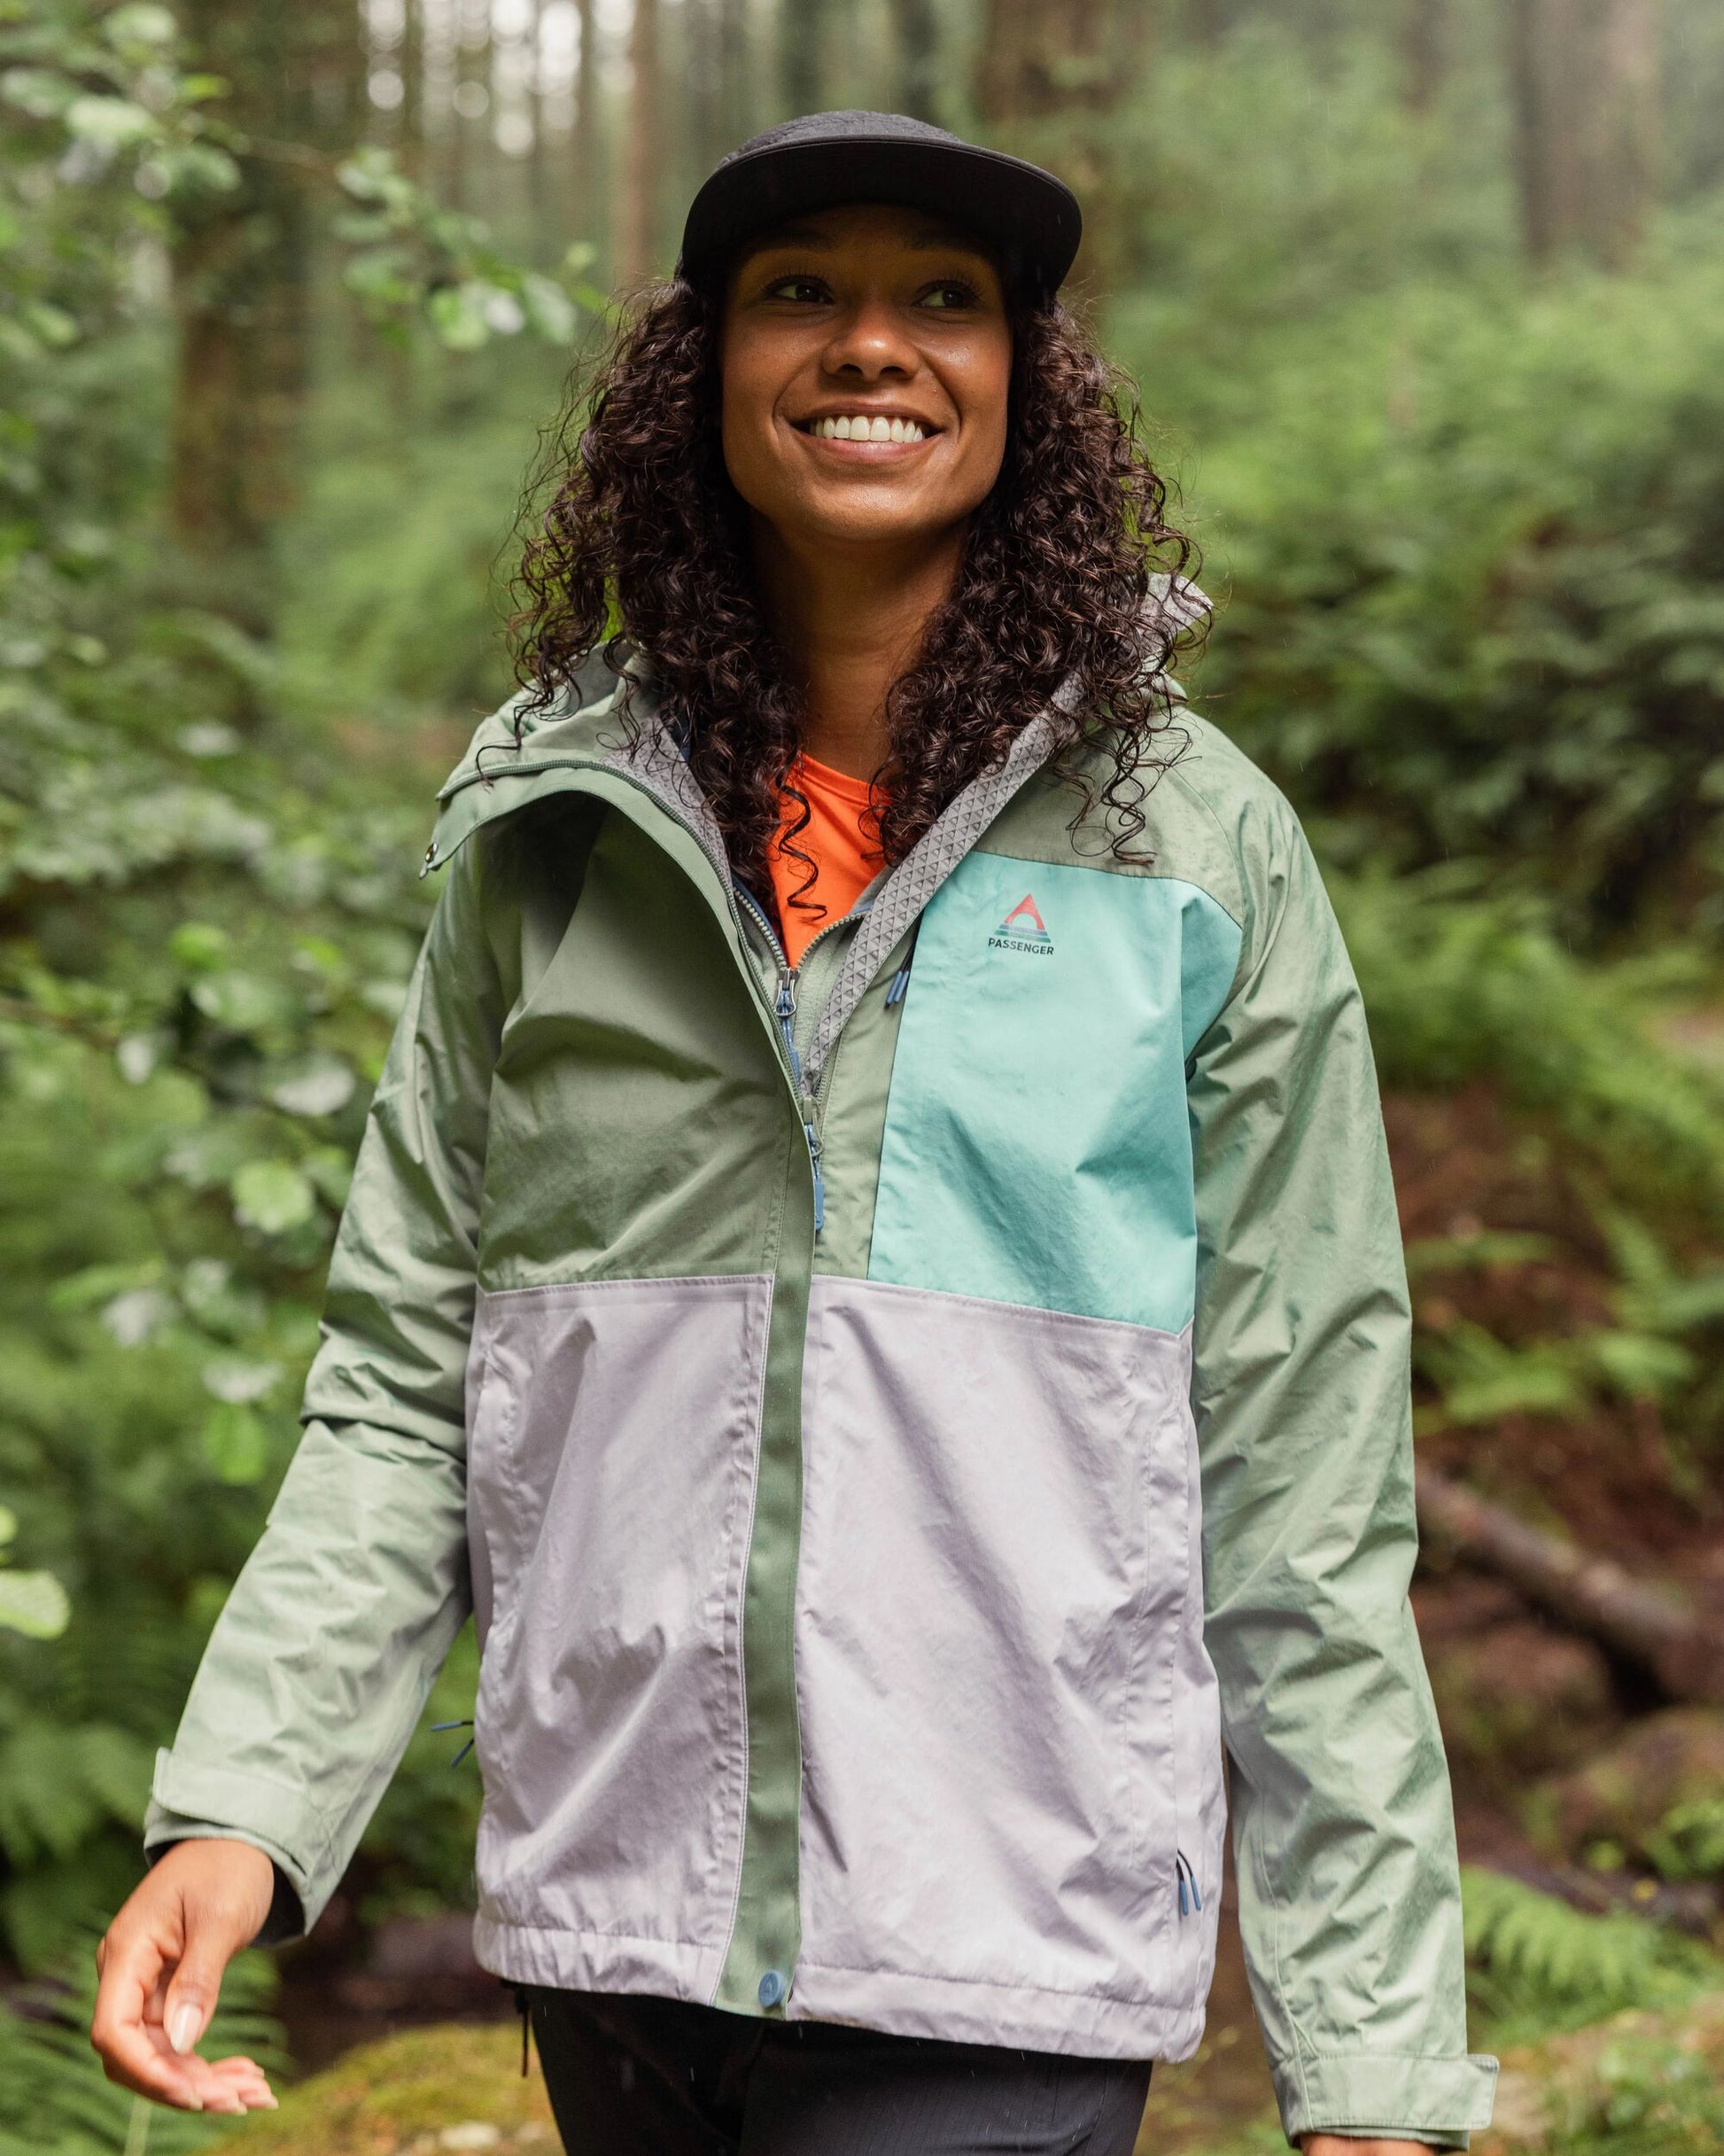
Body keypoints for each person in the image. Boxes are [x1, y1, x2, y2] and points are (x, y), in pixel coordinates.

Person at [90, 111, 1498, 2156]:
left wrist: (1367, 2057)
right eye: (800, 291)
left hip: (1000, 1944)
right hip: (616, 1932)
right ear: (708, 371)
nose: (870, 343)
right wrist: (247, 1803)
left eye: (942, 297)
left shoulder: (1195, 848)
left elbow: (1304, 1479)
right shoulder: (555, 827)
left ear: (1023, 381)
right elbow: (407, 1381)